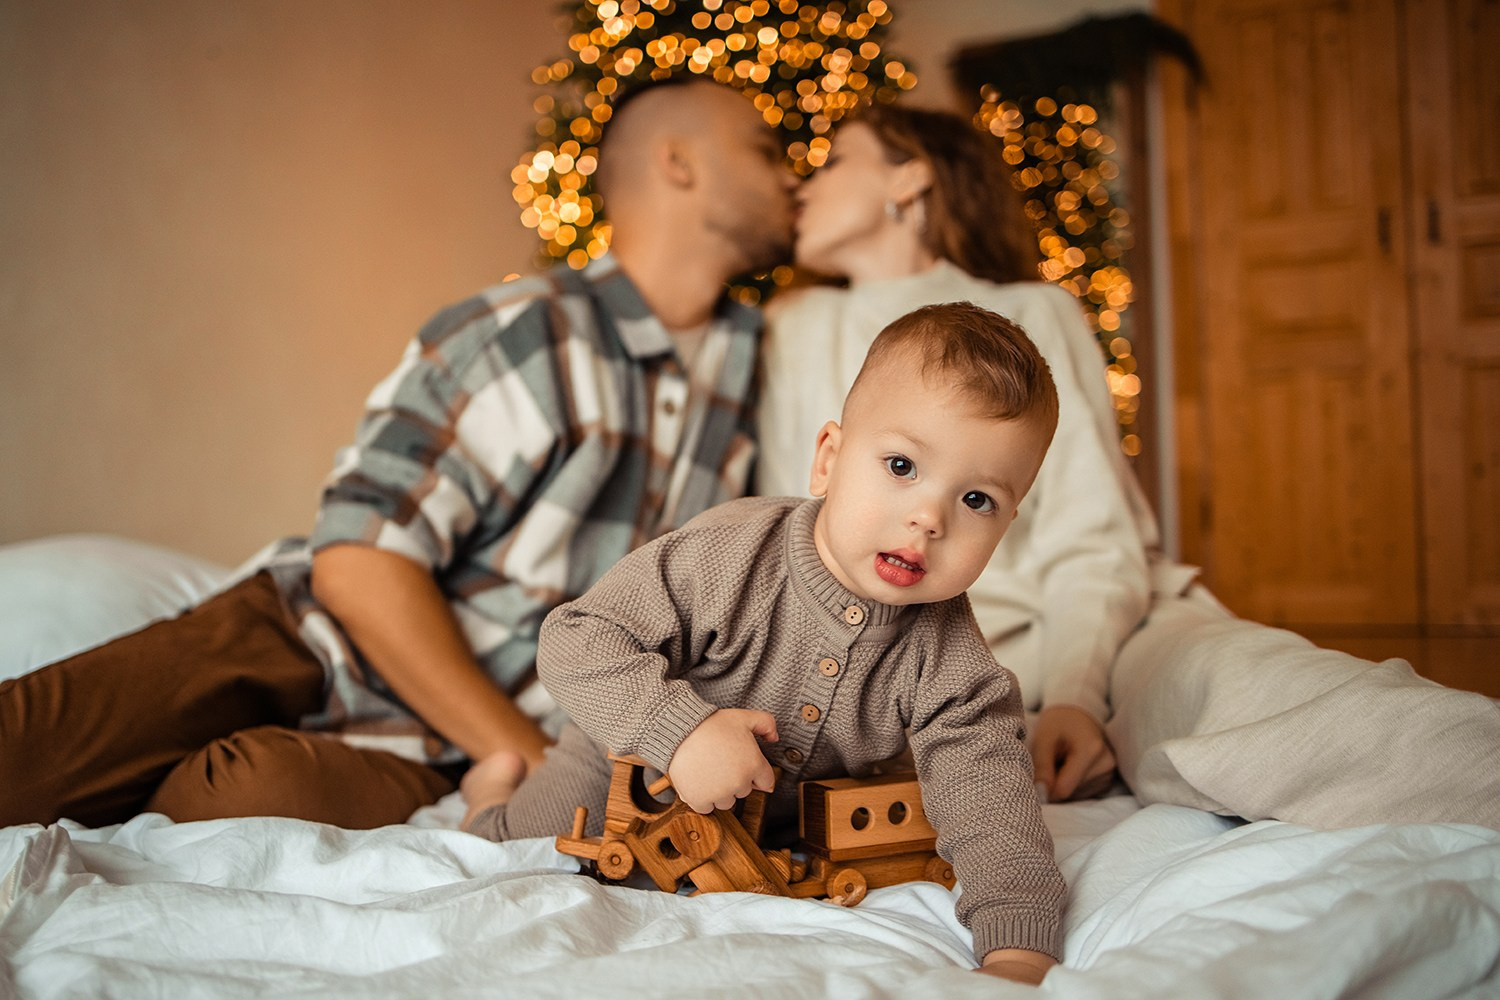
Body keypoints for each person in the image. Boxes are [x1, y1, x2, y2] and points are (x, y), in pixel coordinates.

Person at [0, 76, 798, 831]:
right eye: (767, 149)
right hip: (305, 648)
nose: (796, 172)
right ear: (678, 162)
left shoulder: (755, 368)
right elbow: (360, 562)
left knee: (240, 800)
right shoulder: (535, 329)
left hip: (431, 755)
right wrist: (528, 752)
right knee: (23, 763)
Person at [757, 102, 1500, 829]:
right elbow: (788, 530)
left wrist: (1079, 695)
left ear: (908, 180)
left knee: (1280, 694)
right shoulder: (790, 329)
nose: (801, 185)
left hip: (1090, 636)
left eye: (833, 160)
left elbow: (1096, 538)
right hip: (899, 670)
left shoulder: (1031, 311)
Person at [462, 301, 1066, 985]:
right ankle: (489, 792)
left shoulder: (952, 666)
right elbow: (576, 637)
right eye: (901, 465)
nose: (928, 518)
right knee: (519, 851)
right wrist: (680, 732)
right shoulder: (729, 557)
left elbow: (994, 808)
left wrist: (1017, 945)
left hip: (774, 835)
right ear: (829, 462)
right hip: (623, 766)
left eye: (977, 501)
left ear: (1006, 525)